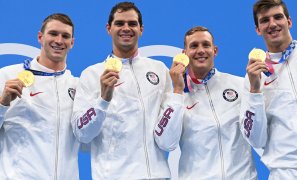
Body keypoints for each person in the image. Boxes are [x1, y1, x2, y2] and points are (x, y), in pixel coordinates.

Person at [71, 2, 172, 179]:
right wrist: (103, 100)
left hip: (156, 175)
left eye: (132, 24)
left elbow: (170, 132)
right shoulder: (91, 74)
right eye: (119, 23)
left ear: (141, 29)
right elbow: (82, 134)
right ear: (108, 28)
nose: (126, 28)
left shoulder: (159, 70)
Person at [154, 26, 257, 180]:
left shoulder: (240, 85)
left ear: (215, 50)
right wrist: (177, 91)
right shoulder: (174, 96)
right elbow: (166, 143)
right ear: (184, 54)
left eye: (206, 45)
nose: (200, 50)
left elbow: (257, 135)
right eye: (194, 46)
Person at [240, 0, 297, 179]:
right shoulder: (254, 77)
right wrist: (254, 89)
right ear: (258, 29)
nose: (273, 24)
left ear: (289, 22)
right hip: (285, 174)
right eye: (265, 20)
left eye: (278, 17)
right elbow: (255, 140)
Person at [0, 13, 79, 179]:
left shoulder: (77, 87)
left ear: (72, 42)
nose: (58, 40)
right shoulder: (7, 76)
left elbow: (88, 139)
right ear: (40, 37)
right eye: (53, 33)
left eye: (65, 36)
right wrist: (2, 103)